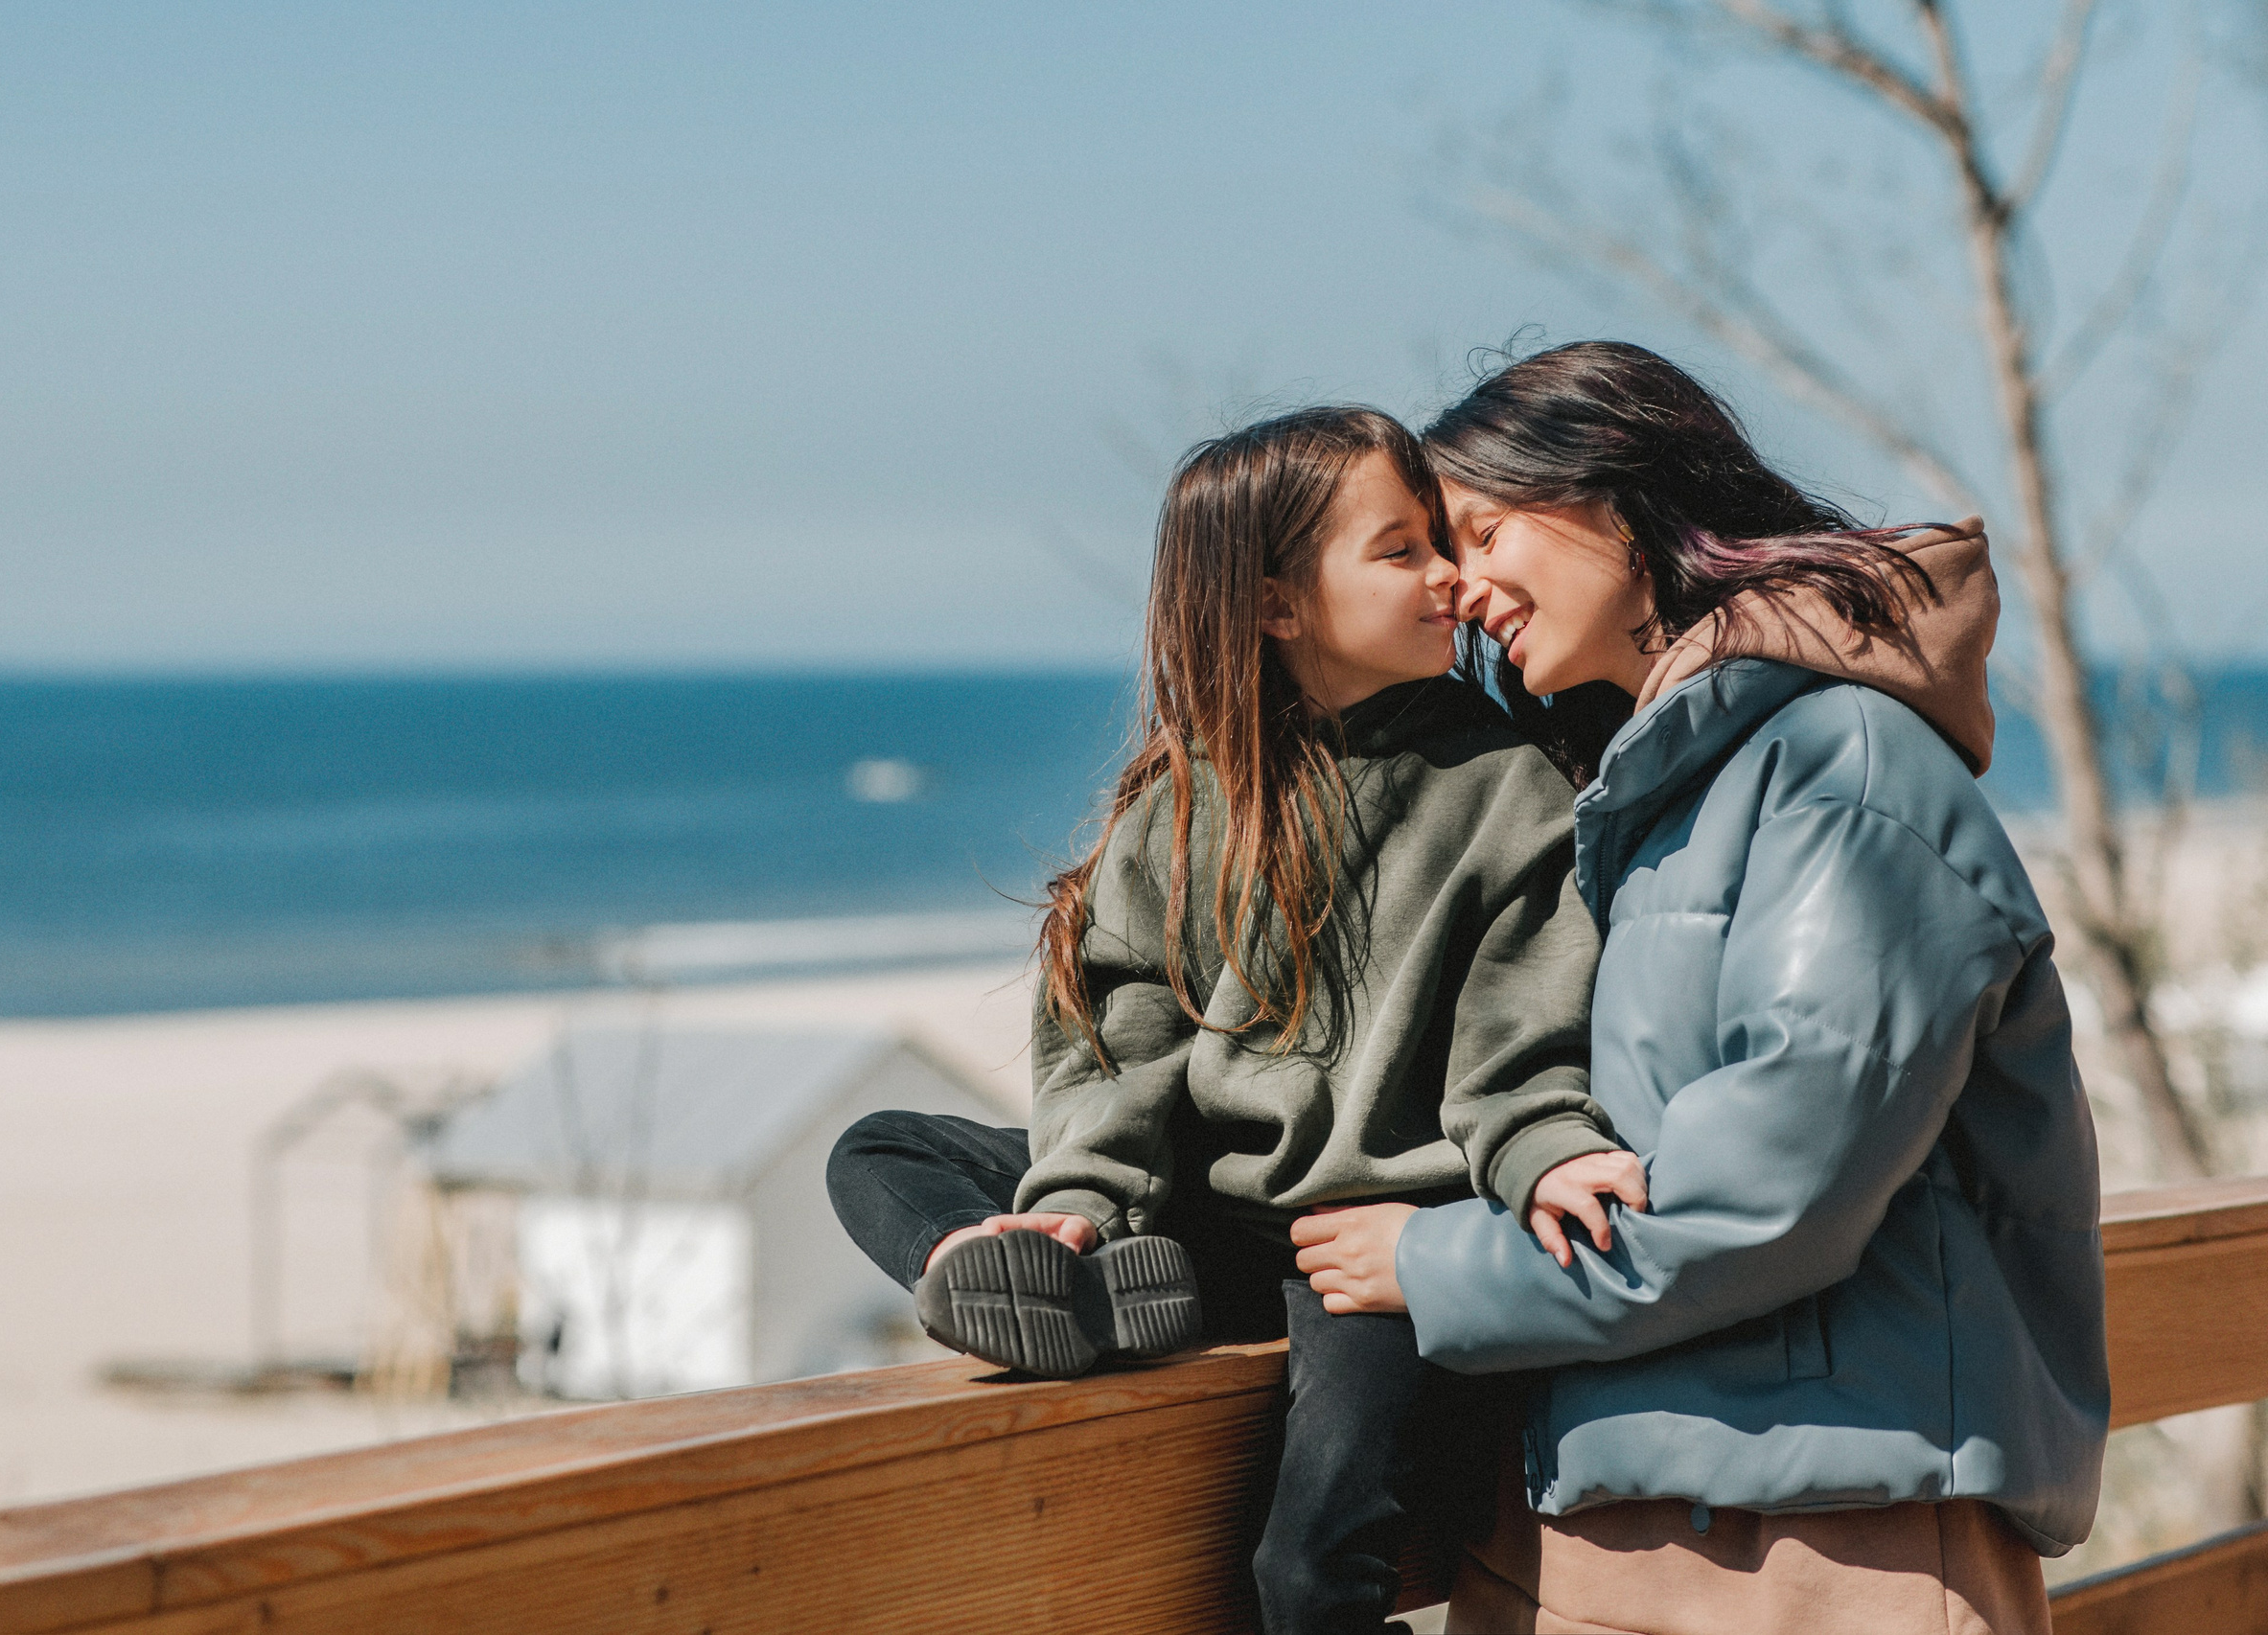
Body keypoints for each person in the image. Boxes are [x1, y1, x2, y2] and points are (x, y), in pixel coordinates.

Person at [1291, 341, 2107, 1635]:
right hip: (1584, 1523)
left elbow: (1773, 1196)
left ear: (1618, 498)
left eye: (1486, 528)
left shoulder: (1841, 767)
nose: (1461, 583)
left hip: (1823, 1547)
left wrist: (1432, 1264)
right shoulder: (1649, 789)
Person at [826, 404, 1648, 1635]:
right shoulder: (1182, 798)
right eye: (1399, 549)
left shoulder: (1506, 785)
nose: (1449, 575)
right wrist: (1082, 1202)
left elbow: (1520, 1039)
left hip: (1369, 1242)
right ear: (1275, 605)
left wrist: (1544, 1151)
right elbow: (1122, 1038)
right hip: (1202, 1215)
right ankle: (1008, 1266)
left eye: (1441, 542)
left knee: (1310, 1566)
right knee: (882, 1143)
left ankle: (1081, 1285)